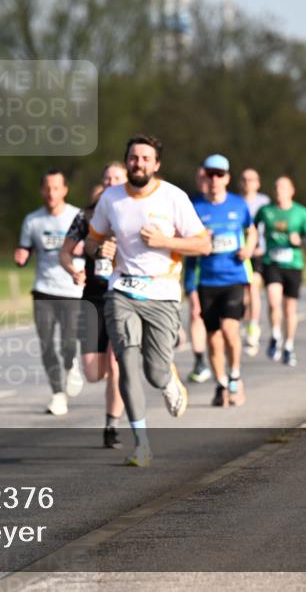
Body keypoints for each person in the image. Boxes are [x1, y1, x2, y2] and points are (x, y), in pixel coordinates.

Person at [86, 134, 210, 467]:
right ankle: (141, 443)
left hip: (163, 293)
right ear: (126, 162)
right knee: (125, 363)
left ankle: (168, 379)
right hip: (122, 291)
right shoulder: (111, 199)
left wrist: (164, 240)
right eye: (132, 157)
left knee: (154, 372)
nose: (137, 163)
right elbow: (91, 239)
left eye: (144, 158)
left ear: (156, 165)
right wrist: (100, 249)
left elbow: (203, 245)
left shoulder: (174, 197)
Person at [60, 163, 128, 448]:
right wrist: (73, 270)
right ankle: (77, 364)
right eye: (107, 177)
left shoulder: (133, 213)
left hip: (123, 296)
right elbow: (65, 252)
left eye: (117, 178)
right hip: (93, 298)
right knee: (93, 372)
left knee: (116, 364)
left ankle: (111, 426)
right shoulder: (85, 216)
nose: (111, 182)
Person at [16, 170, 84, 416]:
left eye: (56, 188)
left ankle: (71, 363)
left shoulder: (77, 216)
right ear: (41, 190)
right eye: (47, 188)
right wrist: (21, 256)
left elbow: (90, 248)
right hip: (43, 291)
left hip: (71, 290)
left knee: (67, 343)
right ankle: (57, 394)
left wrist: (82, 252)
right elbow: (24, 248)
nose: (51, 193)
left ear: (65, 190)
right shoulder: (33, 221)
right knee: (46, 344)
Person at [191, 155, 258, 407]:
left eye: (220, 175)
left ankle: (235, 377)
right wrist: (199, 240)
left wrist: (249, 249)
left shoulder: (239, 205)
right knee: (213, 337)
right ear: (204, 177)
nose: (215, 180)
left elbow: (251, 231)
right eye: (210, 175)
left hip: (233, 277)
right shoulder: (194, 206)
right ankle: (220, 384)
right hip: (207, 279)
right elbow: (182, 240)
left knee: (230, 330)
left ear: (228, 178)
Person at [255, 176, 306, 367]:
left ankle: (288, 347)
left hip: (293, 265)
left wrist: (302, 241)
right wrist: (255, 245)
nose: (278, 191)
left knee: (290, 309)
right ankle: (275, 335)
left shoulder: (301, 212)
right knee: (273, 301)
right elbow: (252, 228)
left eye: (282, 187)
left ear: (291, 191)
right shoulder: (266, 211)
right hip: (271, 262)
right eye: (276, 187)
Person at [239, 168, 270, 357]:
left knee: (253, 288)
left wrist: (262, 248)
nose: (248, 182)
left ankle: (253, 325)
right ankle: (247, 321)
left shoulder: (264, 202)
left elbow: (268, 228)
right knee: (244, 295)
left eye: (252, 179)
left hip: (258, 252)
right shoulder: (234, 201)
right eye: (245, 179)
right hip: (240, 253)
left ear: (258, 183)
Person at [185, 168, 212, 384]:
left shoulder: (229, 204)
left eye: (209, 177)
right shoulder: (190, 204)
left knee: (216, 321)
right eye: (201, 177)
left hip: (222, 271)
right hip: (195, 269)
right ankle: (200, 360)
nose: (206, 181)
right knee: (195, 313)